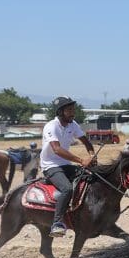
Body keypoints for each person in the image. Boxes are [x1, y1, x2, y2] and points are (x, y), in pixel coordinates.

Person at [40, 96, 96, 238]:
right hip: (50, 166)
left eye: (73, 110)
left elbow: (86, 142)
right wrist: (80, 160)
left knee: (90, 177)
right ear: (60, 112)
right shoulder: (51, 126)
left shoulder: (73, 124)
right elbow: (57, 150)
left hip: (65, 165)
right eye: (69, 110)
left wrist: (92, 156)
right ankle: (57, 223)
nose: (73, 113)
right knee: (66, 189)